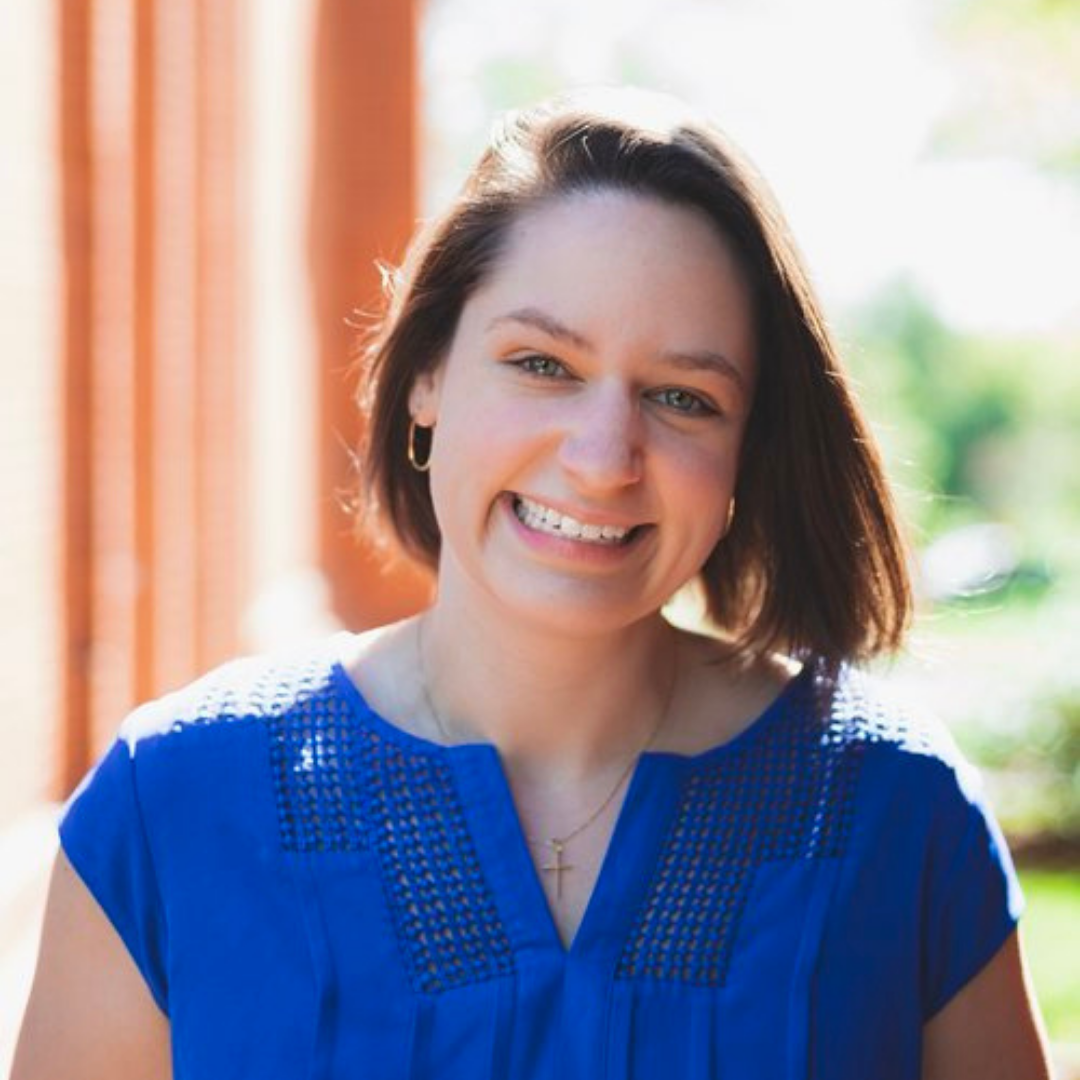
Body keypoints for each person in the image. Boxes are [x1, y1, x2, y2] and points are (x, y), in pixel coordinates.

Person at [13, 87, 1052, 1079]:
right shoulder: (172, 805)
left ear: (750, 451)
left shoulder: (895, 815)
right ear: (426, 377)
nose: (604, 456)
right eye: (542, 364)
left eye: (683, 397)